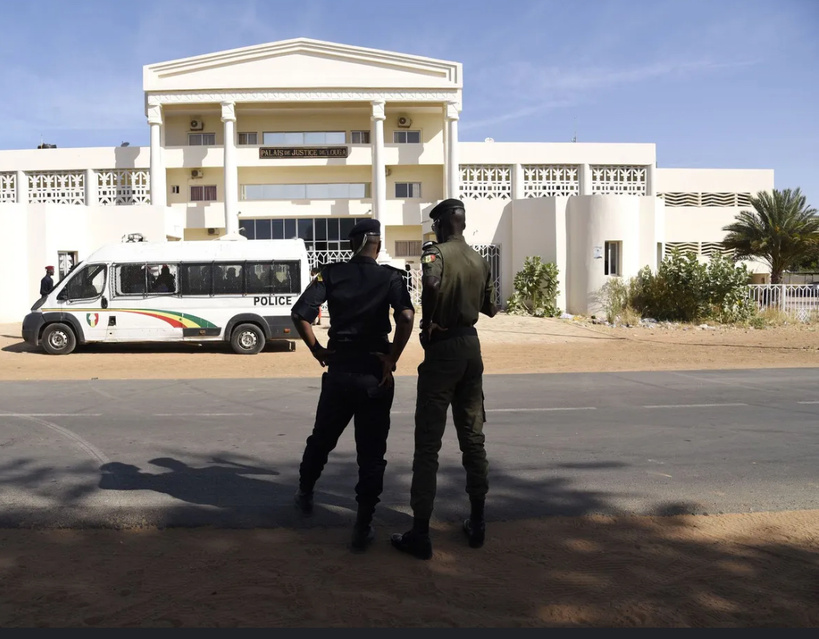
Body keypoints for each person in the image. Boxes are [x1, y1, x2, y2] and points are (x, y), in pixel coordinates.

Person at [290, 218, 415, 553]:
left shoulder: (330, 273)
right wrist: (392, 357)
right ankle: (362, 525)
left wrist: (318, 350)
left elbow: (300, 314)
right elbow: (406, 317)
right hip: (375, 374)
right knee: (371, 454)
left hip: (340, 371)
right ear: (377, 244)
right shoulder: (391, 277)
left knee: (321, 439)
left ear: (353, 244)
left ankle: (305, 493)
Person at [391, 198, 498, 560]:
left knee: (428, 445)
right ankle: (478, 523)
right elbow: (490, 308)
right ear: (462, 224)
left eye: (434, 225)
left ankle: (421, 533)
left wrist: (429, 322)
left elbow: (432, 284)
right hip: (471, 348)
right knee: (473, 439)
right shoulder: (479, 259)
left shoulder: (435, 254)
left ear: (440, 225)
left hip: (444, 349)